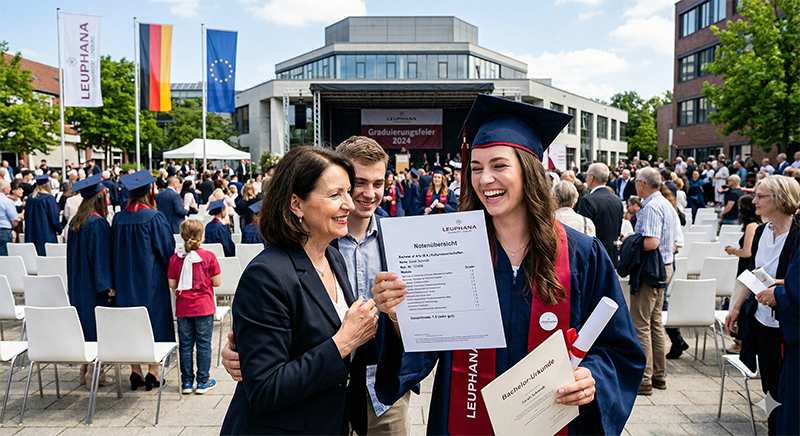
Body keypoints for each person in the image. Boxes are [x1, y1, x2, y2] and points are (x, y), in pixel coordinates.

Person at [370, 95, 645, 434]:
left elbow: (618, 349)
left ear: (528, 171)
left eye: (499, 166)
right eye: (475, 168)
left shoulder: (582, 255)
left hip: (553, 422)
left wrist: (593, 378)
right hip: (464, 417)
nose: (485, 179)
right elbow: (423, 351)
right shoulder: (452, 249)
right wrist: (398, 314)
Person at [219, 146, 377, 436]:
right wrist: (342, 341)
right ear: (296, 204)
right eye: (335, 195)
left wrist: (386, 316)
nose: (350, 205)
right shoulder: (266, 275)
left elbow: (352, 344)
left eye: (347, 192)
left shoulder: (332, 258)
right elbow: (265, 390)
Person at [724, 176, 800, 435]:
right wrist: (736, 307)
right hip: (763, 320)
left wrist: (778, 289)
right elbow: (754, 272)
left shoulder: (797, 235)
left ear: (779, 200)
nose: (754, 201)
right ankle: (772, 428)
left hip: (788, 323)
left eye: (761, 196)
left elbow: (793, 281)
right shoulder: (760, 232)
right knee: (769, 386)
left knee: (787, 387)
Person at [113, 170, 176, 391]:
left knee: (131, 322)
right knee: (154, 321)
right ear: (150, 191)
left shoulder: (119, 218)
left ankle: (135, 371)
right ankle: (154, 371)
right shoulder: (154, 217)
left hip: (124, 281)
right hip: (151, 281)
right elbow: (167, 250)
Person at [624, 167, 678, 395]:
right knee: (655, 323)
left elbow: (652, 242)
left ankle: (645, 379)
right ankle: (658, 375)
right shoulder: (664, 202)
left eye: (637, 181)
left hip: (652, 269)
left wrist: (629, 241)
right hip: (663, 266)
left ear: (642, 184)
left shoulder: (653, 206)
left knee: (641, 324)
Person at [65, 174, 115, 387]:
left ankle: (84, 369)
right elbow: (100, 258)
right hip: (95, 286)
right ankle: (95, 374)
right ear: (100, 197)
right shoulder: (97, 223)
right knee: (96, 327)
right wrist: (108, 285)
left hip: (79, 282)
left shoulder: (76, 220)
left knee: (85, 326)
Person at [168, 219, 220, 395]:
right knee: (204, 345)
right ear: (201, 236)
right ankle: (203, 381)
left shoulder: (176, 258)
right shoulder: (209, 257)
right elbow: (217, 282)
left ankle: (187, 382)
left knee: (185, 345)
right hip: (204, 307)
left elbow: (172, 283)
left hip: (184, 308)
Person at [578, 163, 623, 268]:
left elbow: (586, 232)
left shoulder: (588, 200)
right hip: (612, 255)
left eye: (587, 175)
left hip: (595, 256)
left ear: (592, 178)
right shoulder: (617, 200)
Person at [25, 174, 62, 255]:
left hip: (32, 232)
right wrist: (60, 229)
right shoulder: (49, 198)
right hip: (46, 233)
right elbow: (54, 218)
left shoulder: (30, 198)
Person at [0, 180, 20, 256]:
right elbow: (14, 218)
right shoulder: (7, 201)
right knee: (4, 256)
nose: (10, 189)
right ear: (4, 189)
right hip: (4, 230)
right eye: (9, 187)